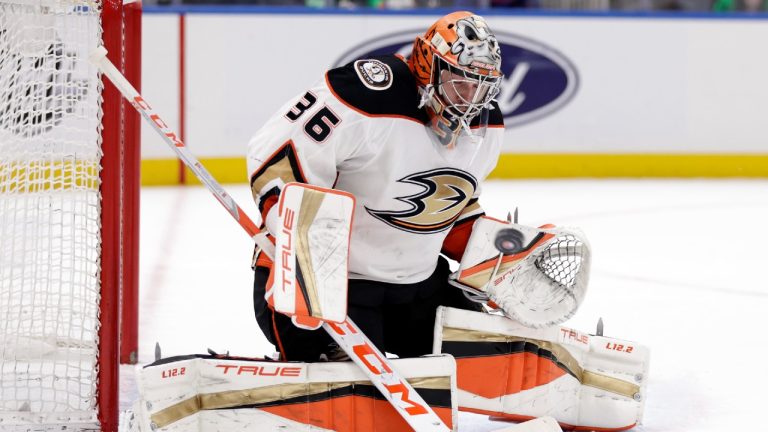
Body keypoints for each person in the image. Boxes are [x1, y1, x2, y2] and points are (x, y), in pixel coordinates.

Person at [247, 11, 505, 362]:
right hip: (338, 290)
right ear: (428, 64)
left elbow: (445, 211)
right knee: (349, 375)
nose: (469, 98)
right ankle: (318, 360)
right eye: (459, 81)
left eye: (481, 86)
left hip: (416, 291)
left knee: (492, 355)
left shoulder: (486, 128)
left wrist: (499, 253)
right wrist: (297, 233)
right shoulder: (369, 94)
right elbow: (277, 156)